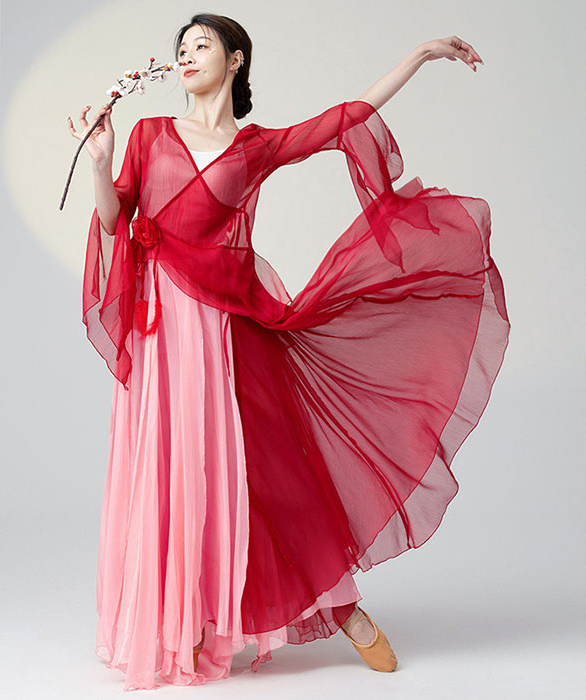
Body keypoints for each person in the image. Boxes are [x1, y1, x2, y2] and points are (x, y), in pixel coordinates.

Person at [67, 12, 509, 692]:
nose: (186, 56)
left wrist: (419, 55)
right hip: (162, 336)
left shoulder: (255, 148)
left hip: (227, 328)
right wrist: (101, 164)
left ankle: (345, 608)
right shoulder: (150, 134)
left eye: (202, 45)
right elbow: (111, 218)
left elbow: (342, 120)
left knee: (271, 473)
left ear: (236, 59)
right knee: (171, 471)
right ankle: (184, 623)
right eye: (181, 48)